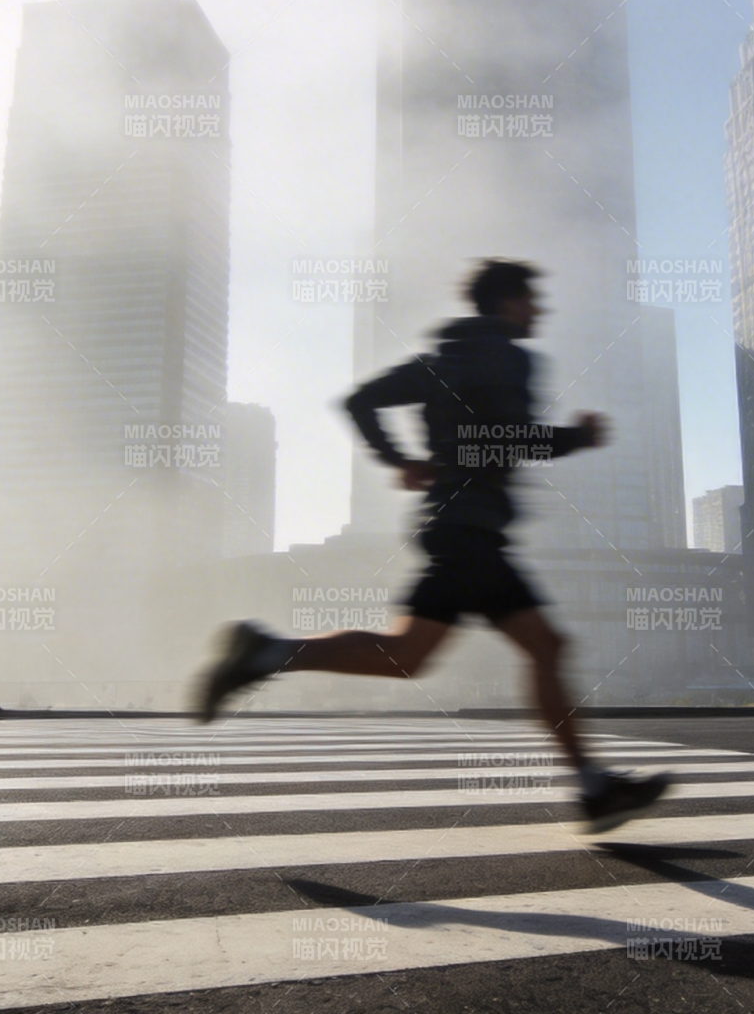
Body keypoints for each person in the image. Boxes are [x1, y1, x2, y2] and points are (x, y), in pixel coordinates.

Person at [194, 258, 671, 835]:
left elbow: (357, 402)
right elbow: (510, 438)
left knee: (412, 655)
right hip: (470, 530)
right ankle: (592, 788)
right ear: (506, 303)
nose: (538, 310)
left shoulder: (439, 361)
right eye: (530, 300)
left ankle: (268, 652)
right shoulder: (509, 357)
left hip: (454, 525)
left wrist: (400, 462)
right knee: (538, 647)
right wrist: (577, 437)